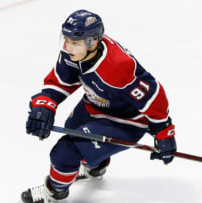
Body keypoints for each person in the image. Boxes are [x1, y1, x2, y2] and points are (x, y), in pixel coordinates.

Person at [21, 9, 177, 203]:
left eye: (74, 42)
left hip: (126, 121)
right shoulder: (74, 52)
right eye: (66, 39)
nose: (68, 47)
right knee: (72, 130)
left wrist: (164, 131)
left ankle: (55, 193)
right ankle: (95, 168)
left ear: (93, 42)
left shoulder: (118, 66)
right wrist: (45, 106)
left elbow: (153, 95)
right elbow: (61, 81)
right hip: (95, 104)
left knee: (65, 153)